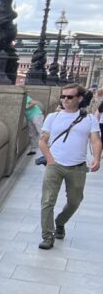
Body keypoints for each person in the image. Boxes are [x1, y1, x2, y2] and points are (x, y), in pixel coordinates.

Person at [38, 83, 102, 250]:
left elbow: (95, 140)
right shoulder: (53, 117)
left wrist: (97, 158)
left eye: (69, 97)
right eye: (62, 96)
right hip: (55, 165)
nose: (64, 99)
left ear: (79, 99)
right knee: (47, 201)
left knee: (75, 201)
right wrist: (50, 159)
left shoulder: (89, 119)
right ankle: (47, 235)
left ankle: (60, 222)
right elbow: (42, 140)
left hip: (78, 167)